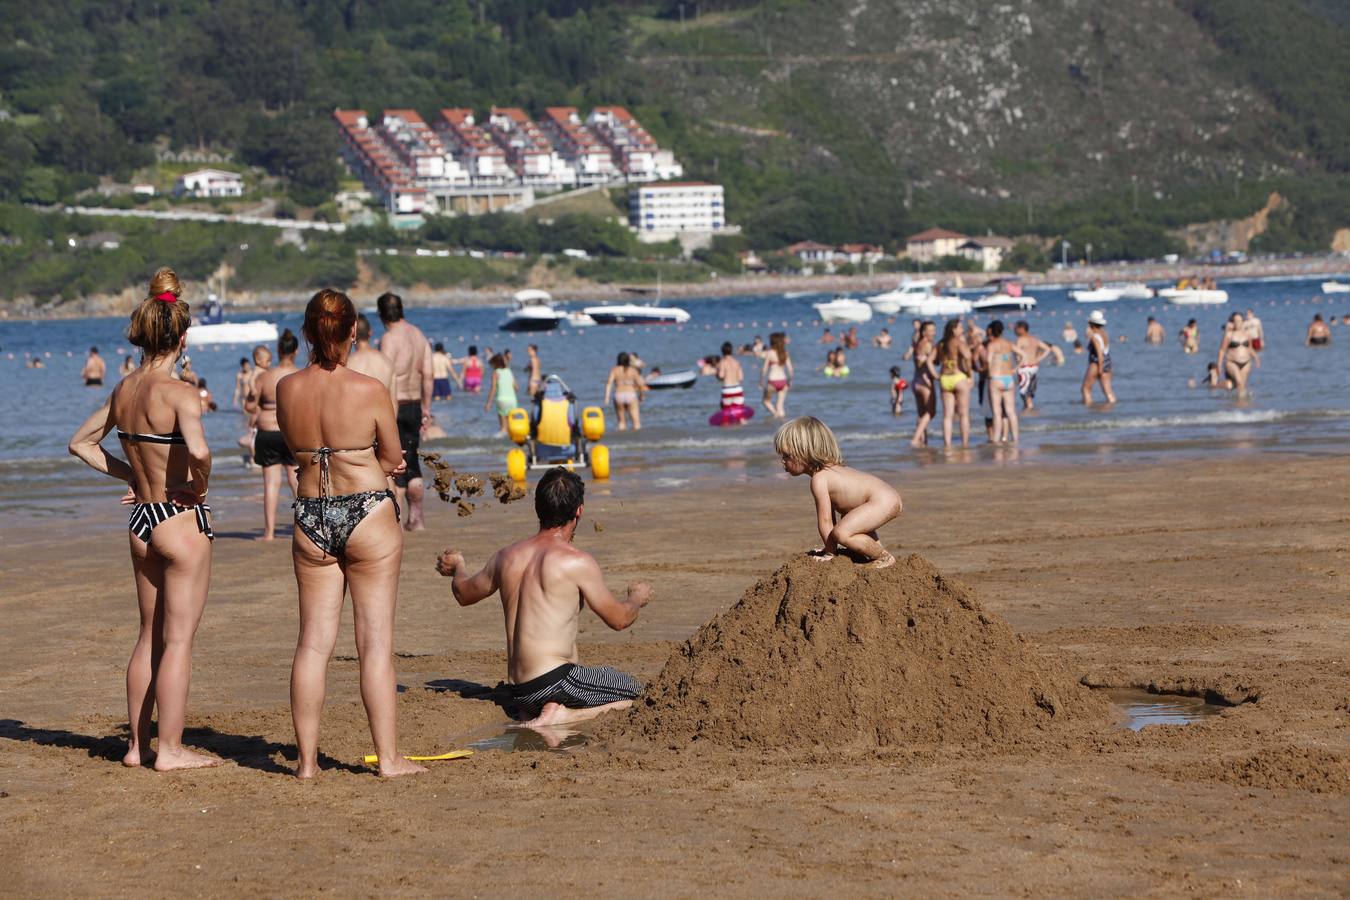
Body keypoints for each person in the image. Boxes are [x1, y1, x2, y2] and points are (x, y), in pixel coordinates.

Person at [66, 266, 217, 771]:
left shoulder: (125, 389)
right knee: (178, 641)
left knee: (147, 635)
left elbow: (80, 444)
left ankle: (136, 746)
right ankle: (169, 749)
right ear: (182, 335)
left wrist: (131, 473)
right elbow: (198, 449)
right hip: (178, 519)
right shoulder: (180, 393)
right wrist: (200, 485)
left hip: (142, 524)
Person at [275, 289, 422, 779]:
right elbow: (390, 455)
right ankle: (390, 760)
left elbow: (300, 449)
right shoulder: (369, 388)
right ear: (353, 331)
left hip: (311, 513)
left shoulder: (287, 388)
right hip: (366, 511)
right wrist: (388, 465)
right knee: (375, 644)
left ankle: (308, 764)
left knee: (312, 644)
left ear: (309, 331)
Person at [435, 467, 651, 727]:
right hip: (555, 682)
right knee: (636, 690)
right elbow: (619, 620)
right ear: (579, 511)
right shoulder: (577, 561)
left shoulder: (506, 556)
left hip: (520, 692)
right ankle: (565, 715)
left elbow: (463, 593)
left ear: (538, 508)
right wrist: (636, 598)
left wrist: (458, 566)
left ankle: (538, 710)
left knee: (591, 681)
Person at [774, 416, 902, 568]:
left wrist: (830, 553)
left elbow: (826, 521)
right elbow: (832, 520)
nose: (782, 460)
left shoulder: (819, 479)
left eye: (786, 455)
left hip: (882, 500)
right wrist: (830, 546)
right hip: (886, 497)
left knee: (841, 532)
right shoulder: (832, 470)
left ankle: (883, 557)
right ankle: (873, 553)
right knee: (848, 519)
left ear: (804, 453)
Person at [377, 293, 432, 532]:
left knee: (395, 463)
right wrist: (426, 408)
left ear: (381, 315)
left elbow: (385, 377)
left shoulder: (389, 339)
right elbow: (428, 374)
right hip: (415, 404)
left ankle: (396, 523)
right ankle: (417, 520)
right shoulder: (418, 335)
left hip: (395, 405)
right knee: (413, 462)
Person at [245, 330, 300, 539]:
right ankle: (305, 527)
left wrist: (253, 399)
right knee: (296, 482)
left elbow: (250, 406)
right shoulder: (300, 375)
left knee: (271, 484)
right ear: (295, 352)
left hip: (267, 432)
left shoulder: (265, 377)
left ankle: (269, 533)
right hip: (291, 433)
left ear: (278, 351)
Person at [985, 320, 1024, 444]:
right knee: (1011, 411)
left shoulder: (991, 345)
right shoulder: (1009, 343)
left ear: (991, 331)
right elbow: (1023, 355)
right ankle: (1016, 439)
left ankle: (996, 439)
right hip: (1008, 378)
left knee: (997, 412)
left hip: (996, 378)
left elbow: (988, 360)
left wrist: (987, 372)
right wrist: (1015, 369)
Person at [936, 320, 973, 447]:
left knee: (947, 415)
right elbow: (968, 357)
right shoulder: (959, 342)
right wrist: (970, 374)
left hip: (945, 378)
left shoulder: (940, 344)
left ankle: (947, 443)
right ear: (953, 329)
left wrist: (936, 375)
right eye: (960, 327)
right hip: (958, 377)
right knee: (964, 414)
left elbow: (932, 361)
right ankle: (965, 443)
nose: (962, 329)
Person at [348, 314, 395, 401]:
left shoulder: (347, 365)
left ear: (352, 335)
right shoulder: (387, 363)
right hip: (382, 413)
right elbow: (393, 403)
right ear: (370, 332)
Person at [1013, 321, 1051, 411]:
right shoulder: (1034, 339)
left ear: (1021, 329)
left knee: (1024, 392)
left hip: (1024, 368)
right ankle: (1028, 408)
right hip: (1034, 367)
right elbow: (1047, 349)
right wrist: (1038, 359)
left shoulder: (1020, 340)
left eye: (1016, 328)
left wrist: (1016, 365)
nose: (1014, 330)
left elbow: (1018, 355)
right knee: (1030, 391)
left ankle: (1029, 410)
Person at [910, 321, 937, 447]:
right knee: (931, 413)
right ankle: (916, 439)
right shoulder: (928, 345)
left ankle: (922, 440)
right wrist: (937, 376)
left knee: (921, 414)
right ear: (924, 332)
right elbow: (929, 363)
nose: (934, 333)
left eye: (934, 330)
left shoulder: (917, 344)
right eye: (931, 330)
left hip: (915, 380)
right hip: (925, 381)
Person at [603, 351, 647, 430]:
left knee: (621, 423)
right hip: (630, 394)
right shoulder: (633, 370)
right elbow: (640, 384)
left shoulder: (614, 370)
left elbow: (609, 384)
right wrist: (642, 395)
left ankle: (622, 441)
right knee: (636, 422)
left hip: (618, 395)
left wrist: (607, 398)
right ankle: (637, 440)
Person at [1082, 309, 1116, 405]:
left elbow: (1099, 353)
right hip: (1108, 361)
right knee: (1108, 391)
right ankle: (1112, 408)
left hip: (1097, 363)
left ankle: (1089, 409)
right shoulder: (1104, 333)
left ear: (1091, 323)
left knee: (1085, 389)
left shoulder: (1094, 336)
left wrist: (1100, 369)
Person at [1219, 312, 1257, 395]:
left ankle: (1240, 403)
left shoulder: (1247, 334)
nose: (1237, 323)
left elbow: (1250, 348)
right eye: (1235, 321)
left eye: (1239, 321)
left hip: (1246, 362)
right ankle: (1237, 401)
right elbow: (1222, 350)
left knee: (1242, 385)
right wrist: (1219, 364)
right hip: (1231, 362)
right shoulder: (1229, 334)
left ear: (1243, 322)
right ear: (1232, 322)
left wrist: (1256, 358)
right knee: (1239, 382)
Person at [760, 332, 793, 418]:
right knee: (780, 405)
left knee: (766, 401)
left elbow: (764, 369)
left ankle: (775, 414)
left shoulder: (770, 353)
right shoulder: (784, 352)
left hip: (772, 381)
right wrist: (790, 381)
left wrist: (761, 381)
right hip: (783, 381)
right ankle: (783, 424)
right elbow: (790, 369)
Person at [484, 353, 518, 435]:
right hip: (512, 401)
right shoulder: (509, 371)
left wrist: (488, 403)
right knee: (512, 427)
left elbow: (493, 388)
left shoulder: (495, 373)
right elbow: (517, 387)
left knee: (503, 428)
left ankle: (499, 444)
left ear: (495, 364)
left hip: (501, 400)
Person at [715, 341, 746, 410]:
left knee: (726, 415)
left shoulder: (722, 362)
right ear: (731, 351)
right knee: (740, 414)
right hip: (738, 389)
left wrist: (716, 372)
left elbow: (721, 376)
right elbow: (741, 378)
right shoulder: (737, 362)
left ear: (722, 351)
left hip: (727, 390)